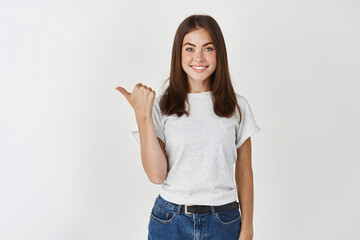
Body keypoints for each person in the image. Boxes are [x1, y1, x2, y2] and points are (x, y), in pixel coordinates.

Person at [116, 14, 261, 240]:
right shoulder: (162, 106)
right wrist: (142, 116)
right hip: (170, 221)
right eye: (190, 49)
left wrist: (248, 228)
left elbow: (244, 171)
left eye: (208, 48)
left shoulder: (237, 106)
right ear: (179, 54)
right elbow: (156, 175)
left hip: (224, 222)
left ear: (219, 53)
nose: (199, 58)